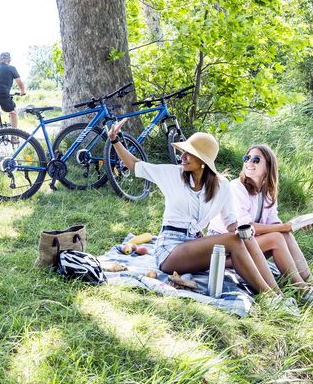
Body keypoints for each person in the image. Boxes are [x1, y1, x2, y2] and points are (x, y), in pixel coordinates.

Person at [106, 119, 285, 297]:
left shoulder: (222, 186)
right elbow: (136, 165)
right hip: (169, 249)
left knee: (244, 237)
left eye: (188, 153)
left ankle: (277, 294)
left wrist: (247, 236)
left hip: (194, 244)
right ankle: (270, 297)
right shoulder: (173, 174)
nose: (182, 157)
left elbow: (231, 223)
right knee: (235, 240)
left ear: (203, 161)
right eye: (183, 152)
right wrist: (115, 141)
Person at [229, 144, 313, 301]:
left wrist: (297, 224)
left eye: (256, 160)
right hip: (232, 245)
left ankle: (311, 285)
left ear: (268, 167)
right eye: (247, 158)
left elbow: (275, 224)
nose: (249, 162)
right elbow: (244, 226)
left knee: (285, 235)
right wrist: (285, 227)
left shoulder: (267, 192)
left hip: (251, 243)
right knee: (277, 237)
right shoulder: (236, 187)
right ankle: (302, 290)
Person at [0, 52, 26, 128]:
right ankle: (14, 136)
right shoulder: (12, 68)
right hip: (3, 95)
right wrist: (22, 92)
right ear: (9, 60)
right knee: (13, 113)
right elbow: (20, 83)